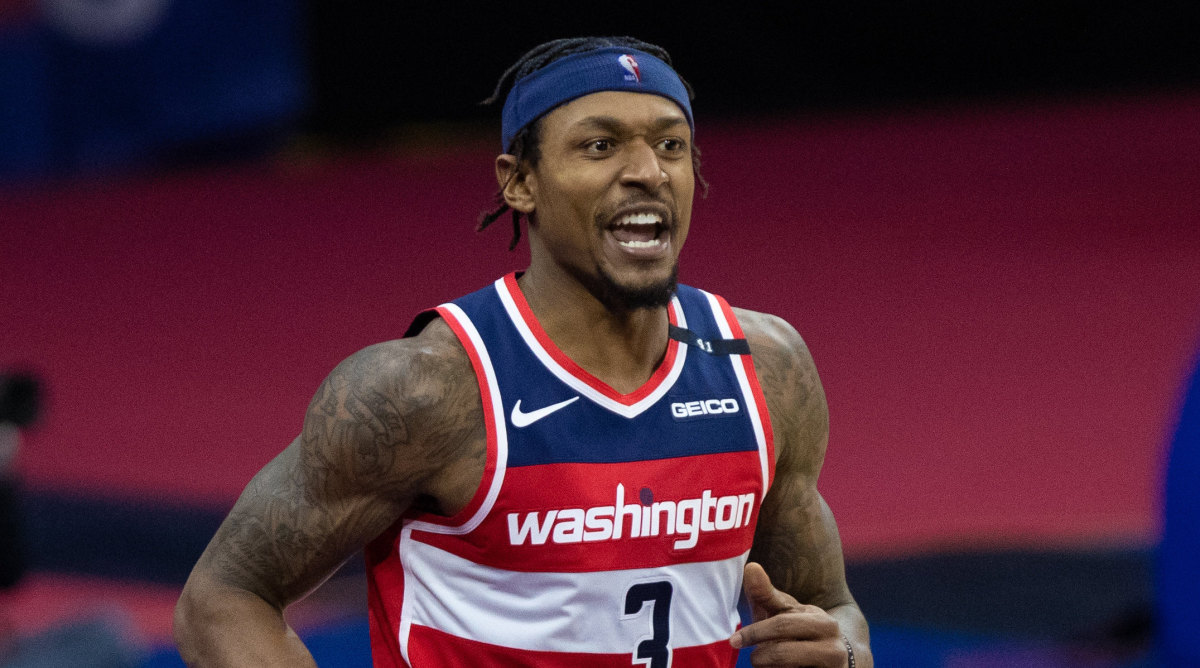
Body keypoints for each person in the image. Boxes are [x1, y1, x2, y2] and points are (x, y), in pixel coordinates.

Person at [174, 36, 872, 667]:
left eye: (670, 145)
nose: (647, 173)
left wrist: (838, 650)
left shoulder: (766, 368)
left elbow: (834, 610)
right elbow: (225, 598)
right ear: (519, 182)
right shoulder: (426, 390)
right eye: (600, 146)